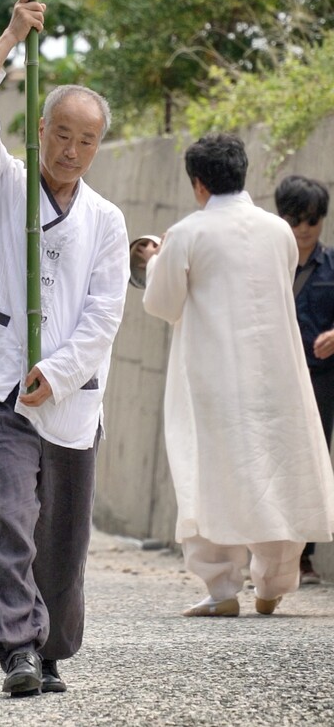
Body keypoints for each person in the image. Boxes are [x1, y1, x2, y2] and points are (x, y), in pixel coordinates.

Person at [0, 0, 128, 697]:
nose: (72, 149)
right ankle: (17, 647)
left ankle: (50, 648)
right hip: (0, 384)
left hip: (68, 397)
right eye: (62, 133)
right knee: (10, 516)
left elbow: (105, 313)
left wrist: (57, 372)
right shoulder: (6, 181)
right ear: (42, 127)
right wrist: (12, 35)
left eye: (87, 140)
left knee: (61, 537)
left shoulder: (106, 219)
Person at [143, 137, 334, 617]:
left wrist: (154, 260)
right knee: (275, 469)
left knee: (210, 472)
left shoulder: (187, 232)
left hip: (214, 372)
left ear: (198, 183)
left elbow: (163, 303)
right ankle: (273, 583)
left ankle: (222, 588)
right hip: (277, 373)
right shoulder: (279, 232)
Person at [275, 175, 334, 585]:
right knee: (270, 461)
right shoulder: (265, 261)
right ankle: (271, 555)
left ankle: (304, 558)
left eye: (311, 220)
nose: (303, 229)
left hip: (320, 379)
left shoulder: (332, 265)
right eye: (295, 219)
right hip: (272, 377)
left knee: (313, 461)